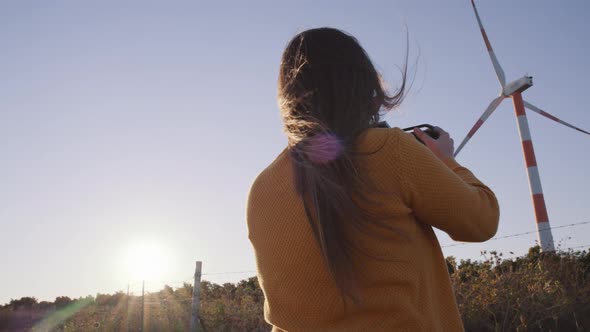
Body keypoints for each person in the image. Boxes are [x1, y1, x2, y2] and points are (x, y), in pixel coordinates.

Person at [246, 27, 499, 331]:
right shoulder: (389, 149)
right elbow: (482, 219)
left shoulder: (261, 188)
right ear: (363, 86)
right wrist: (446, 160)